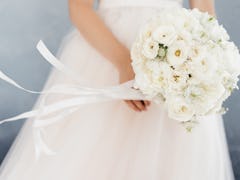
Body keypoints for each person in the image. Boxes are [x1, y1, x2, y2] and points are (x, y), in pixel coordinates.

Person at [0, 0, 235, 179]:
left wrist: (201, 64)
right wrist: (124, 62)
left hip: (175, 54)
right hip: (106, 52)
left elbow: (204, 12)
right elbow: (79, 9)